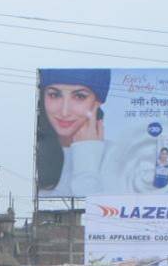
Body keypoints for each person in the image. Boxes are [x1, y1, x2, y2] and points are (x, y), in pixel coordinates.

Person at [35, 68, 116, 198]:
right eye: (54, 95)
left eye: (79, 96)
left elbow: (97, 213)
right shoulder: (33, 150)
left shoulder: (120, 157)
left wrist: (87, 152)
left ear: (97, 101)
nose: (64, 112)